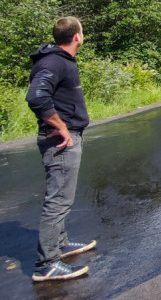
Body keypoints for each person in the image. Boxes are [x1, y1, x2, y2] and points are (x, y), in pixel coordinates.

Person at [26, 17, 96, 282]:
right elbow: (36, 96)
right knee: (58, 201)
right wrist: (61, 127)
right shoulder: (54, 62)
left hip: (67, 136)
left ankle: (60, 245)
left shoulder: (60, 60)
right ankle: (46, 264)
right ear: (77, 36)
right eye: (82, 31)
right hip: (61, 141)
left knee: (63, 197)